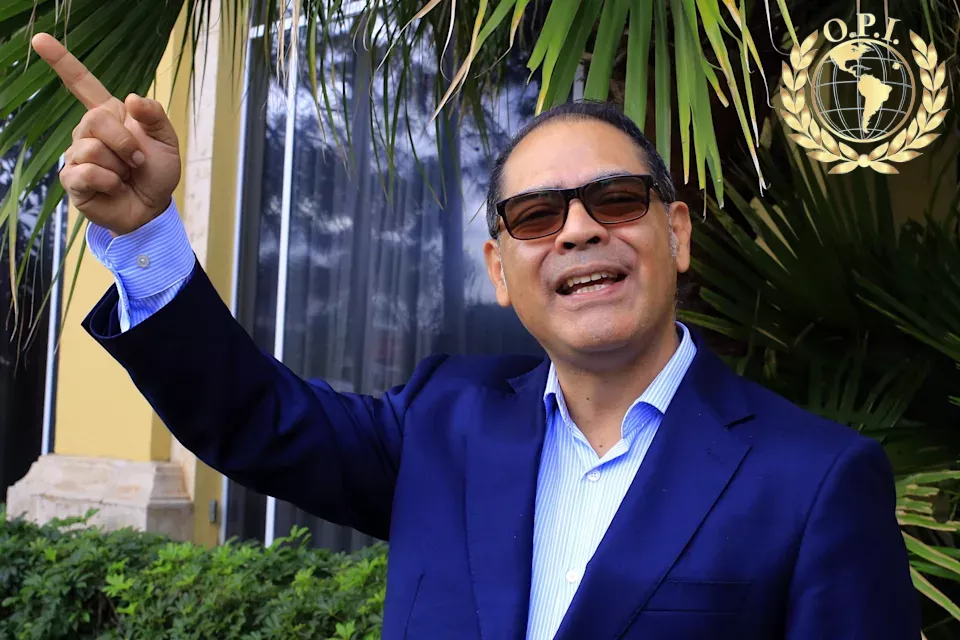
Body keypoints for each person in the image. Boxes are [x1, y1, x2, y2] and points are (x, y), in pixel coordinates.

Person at [33, 33, 919, 639]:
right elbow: (253, 416)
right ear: (500, 269)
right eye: (537, 216)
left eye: (615, 200)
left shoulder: (816, 479)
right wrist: (147, 238)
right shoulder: (441, 422)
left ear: (676, 234)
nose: (578, 231)